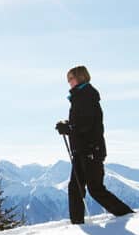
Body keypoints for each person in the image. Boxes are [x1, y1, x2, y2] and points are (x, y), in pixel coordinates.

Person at [55, 66, 134, 225]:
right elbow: (80, 123)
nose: (69, 82)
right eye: (68, 79)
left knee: (95, 189)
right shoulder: (79, 97)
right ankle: (76, 222)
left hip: (91, 149)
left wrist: (69, 128)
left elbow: (87, 124)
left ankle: (125, 214)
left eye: (71, 78)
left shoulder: (87, 96)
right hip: (81, 149)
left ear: (81, 77)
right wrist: (68, 124)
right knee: (75, 188)